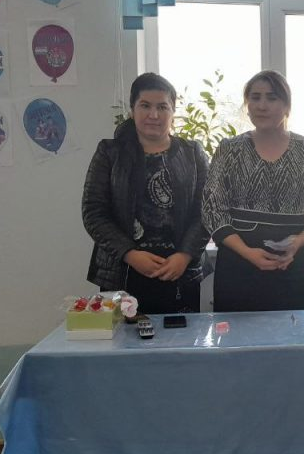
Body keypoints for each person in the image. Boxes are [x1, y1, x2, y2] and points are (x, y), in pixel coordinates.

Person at [202, 70, 304, 312]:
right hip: (237, 264)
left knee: (289, 332)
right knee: (236, 333)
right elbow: (212, 209)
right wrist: (247, 253)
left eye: (272, 98)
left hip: (290, 264)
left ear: (287, 105)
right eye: (255, 97)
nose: (262, 105)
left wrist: (297, 242)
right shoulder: (229, 149)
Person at [82, 73, 209, 314]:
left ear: (173, 111)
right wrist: (130, 254)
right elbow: (94, 212)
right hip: (123, 271)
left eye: (162, 107)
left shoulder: (193, 153)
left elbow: (206, 212)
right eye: (145, 106)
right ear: (132, 109)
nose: (154, 115)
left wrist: (184, 255)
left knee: (180, 337)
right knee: (124, 338)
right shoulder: (109, 153)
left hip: (179, 271)